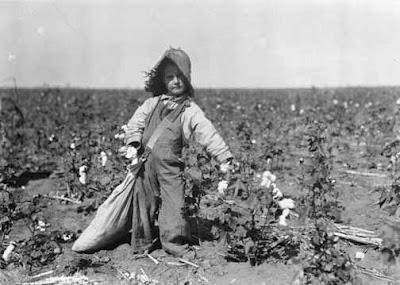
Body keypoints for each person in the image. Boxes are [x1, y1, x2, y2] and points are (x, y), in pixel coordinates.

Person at [125, 48, 233, 257]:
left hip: (171, 166)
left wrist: (224, 156)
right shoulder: (151, 103)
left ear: (188, 78)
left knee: (175, 205)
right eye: (170, 77)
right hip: (145, 163)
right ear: (163, 81)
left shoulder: (190, 110)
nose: (175, 81)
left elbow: (207, 133)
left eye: (180, 76)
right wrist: (133, 142)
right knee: (143, 202)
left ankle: (175, 245)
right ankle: (142, 243)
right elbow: (135, 123)